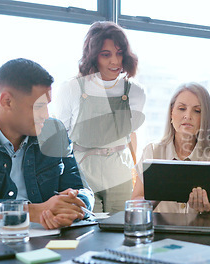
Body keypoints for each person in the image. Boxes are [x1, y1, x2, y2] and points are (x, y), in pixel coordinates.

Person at [0, 58, 94, 230]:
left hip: (48, 242)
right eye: (39, 106)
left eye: (47, 105)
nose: (46, 115)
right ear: (7, 101)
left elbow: (83, 190)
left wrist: (72, 206)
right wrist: (32, 212)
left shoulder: (54, 132)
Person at [54, 21, 145, 213]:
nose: (115, 61)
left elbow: (132, 135)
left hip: (120, 173)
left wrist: (135, 170)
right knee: (88, 229)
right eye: (106, 55)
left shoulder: (135, 92)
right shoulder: (71, 88)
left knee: (120, 230)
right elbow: (61, 139)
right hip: (83, 173)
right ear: (92, 56)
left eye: (119, 53)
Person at [132, 83, 210, 214]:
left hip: (199, 230)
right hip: (160, 231)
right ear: (171, 112)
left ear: (205, 118)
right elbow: (135, 199)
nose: (188, 116)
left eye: (197, 111)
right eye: (181, 108)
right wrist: (153, 199)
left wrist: (207, 206)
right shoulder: (152, 151)